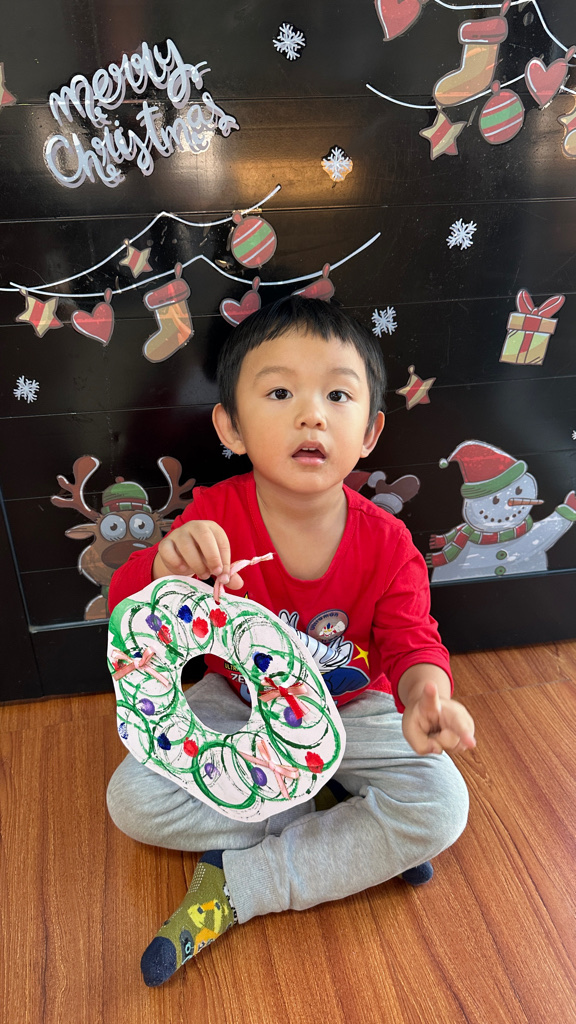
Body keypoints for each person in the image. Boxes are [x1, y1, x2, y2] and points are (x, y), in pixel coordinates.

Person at [107, 296, 475, 988]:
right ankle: (329, 807)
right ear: (232, 426)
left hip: (352, 708)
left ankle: (249, 881)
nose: (313, 415)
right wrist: (163, 568)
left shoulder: (388, 542)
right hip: (238, 705)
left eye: (338, 395)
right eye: (280, 393)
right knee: (132, 802)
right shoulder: (214, 513)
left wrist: (428, 696)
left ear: (369, 430)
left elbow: (411, 643)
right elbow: (131, 615)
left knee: (442, 807)